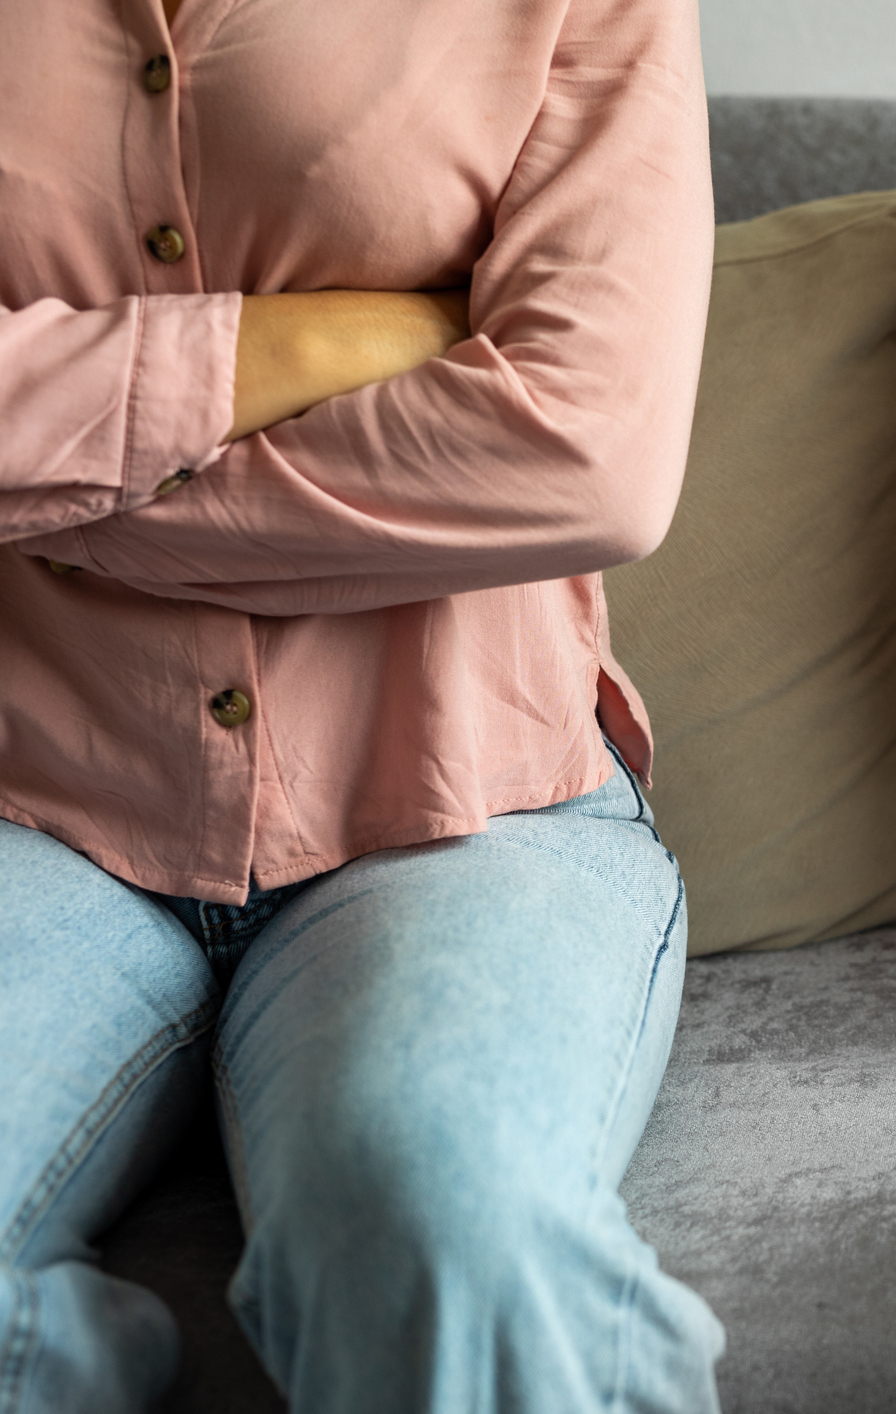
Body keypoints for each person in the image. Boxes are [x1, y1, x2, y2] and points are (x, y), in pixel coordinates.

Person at [0, 0, 720, 1409]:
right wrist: (310, 349)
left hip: (468, 810)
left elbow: (588, 455)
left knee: (454, 1229)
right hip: (37, 799)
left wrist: (64, 502)